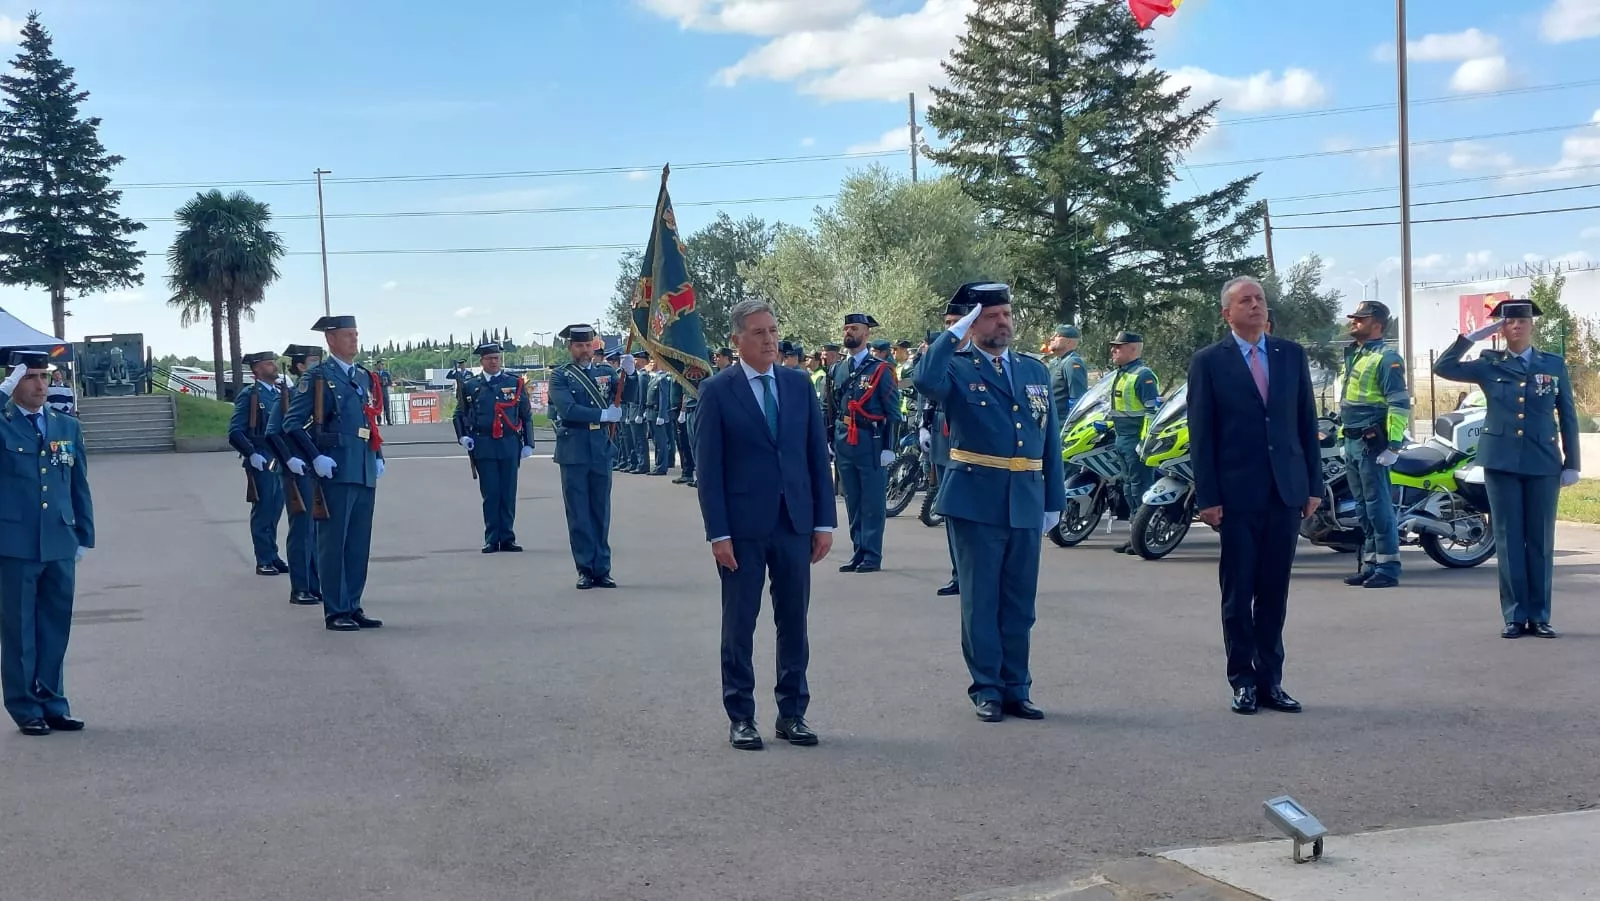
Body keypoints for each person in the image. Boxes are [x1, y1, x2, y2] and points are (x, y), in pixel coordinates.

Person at [915, 284, 1063, 721]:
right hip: (975, 499)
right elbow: (924, 380)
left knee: (1020, 601)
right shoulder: (957, 367)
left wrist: (1053, 498)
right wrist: (953, 334)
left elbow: (1049, 439)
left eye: (1006, 314)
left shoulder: (1033, 370)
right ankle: (988, 689)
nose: (1003, 322)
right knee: (981, 600)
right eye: (992, 315)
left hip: (1026, 497)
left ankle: (1017, 687)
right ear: (973, 323)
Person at [694, 300, 836, 750]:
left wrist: (824, 522)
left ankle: (792, 713)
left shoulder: (797, 385)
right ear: (737, 340)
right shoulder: (718, 391)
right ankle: (741, 716)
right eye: (759, 332)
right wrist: (718, 533)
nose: (770, 340)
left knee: (794, 621)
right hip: (742, 529)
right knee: (740, 624)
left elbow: (815, 456)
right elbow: (708, 470)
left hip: (794, 523)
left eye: (773, 330)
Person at [1188, 276, 1323, 715]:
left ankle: (1271, 681)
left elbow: (1305, 422)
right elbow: (1201, 433)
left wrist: (1313, 485)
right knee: (1238, 591)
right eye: (1245, 300)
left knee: (1273, 591)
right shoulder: (1209, 362)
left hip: (1284, 491)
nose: (1255, 305)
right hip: (1236, 495)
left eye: (1259, 299)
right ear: (1226, 313)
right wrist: (1208, 496)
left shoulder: (1290, 354)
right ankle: (1242, 681)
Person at [1434, 299, 1582, 639]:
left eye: (1522, 320)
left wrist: (1572, 462)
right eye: (1509, 321)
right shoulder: (1489, 363)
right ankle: (1515, 615)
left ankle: (1540, 616)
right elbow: (1443, 367)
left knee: (1540, 540)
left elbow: (1568, 416)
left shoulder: (1553, 364)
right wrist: (1470, 338)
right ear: (1501, 328)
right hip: (1500, 461)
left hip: (1542, 461)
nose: (1516, 325)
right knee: (1508, 538)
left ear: (1532, 325)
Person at [0, 351, 94, 736]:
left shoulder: (65, 425)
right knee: (19, 630)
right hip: (14, 543)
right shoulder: (3, 424)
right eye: (30, 377)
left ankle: (54, 702)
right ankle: (25, 707)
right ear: (13, 382)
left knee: (55, 626)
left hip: (59, 539)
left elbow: (78, 484)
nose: (41, 385)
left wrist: (84, 534)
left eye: (44, 376)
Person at [285, 315, 386, 633]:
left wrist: (377, 455)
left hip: (363, 466)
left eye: (356, 334)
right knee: (333, 544)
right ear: (330, 340)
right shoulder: (318, 377)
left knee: (358, 544)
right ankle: (336, 609)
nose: (354, 340)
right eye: (347, 335)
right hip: (336, 469)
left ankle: (353, 605)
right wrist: (315, 457)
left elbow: (369, 421)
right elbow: (291, 424)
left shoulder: (363, 376)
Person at [549, 324, 630, 589]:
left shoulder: (606, 372)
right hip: (573, 450)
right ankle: (585, 568)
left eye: (587, 345)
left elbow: (628, 396)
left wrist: (630, 375)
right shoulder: (560, 376)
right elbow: (568, 409)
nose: (584, 350)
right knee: (579, 513)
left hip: (600, 448)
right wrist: (602, 415)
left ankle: (603, 569)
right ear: (570, 348)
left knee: (601, 511)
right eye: (579, 346)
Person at [1336, 300, 1409, 589]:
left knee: (1378, 507)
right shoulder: (1356, 354)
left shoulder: (1387, 358)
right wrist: (1342, 437)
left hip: (1372, 445)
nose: (1354, 322)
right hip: (1353, 441)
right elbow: (1348, 403)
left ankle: (1388, 568)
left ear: (1377, 324)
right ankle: (1371, 564)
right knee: (1363, 509)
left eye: (1360, 319)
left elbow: (1399, 404)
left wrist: (1394, 445)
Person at [830, 313, 900, 573]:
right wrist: (829, 438)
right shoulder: (838, 368)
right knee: (853, 499)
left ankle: (872, 554)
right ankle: (858, 550)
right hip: (844, 439)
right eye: (846, 328)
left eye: (855, 328)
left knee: (872, 501)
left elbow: (893, 412)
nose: (849, 332)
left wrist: (890, 447)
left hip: (871, 440)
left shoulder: (880, 369)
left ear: (866, 333)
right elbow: (831, 407)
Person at [455, 341, 536, 554]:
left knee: (508, 493)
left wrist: (529, 443)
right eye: (489, 358)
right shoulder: (470, 385)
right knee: (491, 494)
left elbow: (526, 415)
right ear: (482, 361)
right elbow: (460, 413)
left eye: (497, 358)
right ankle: (492, 538)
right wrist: (463, 436)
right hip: (484, 445)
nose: (494, 362)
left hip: (509, 444)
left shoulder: (514, 383)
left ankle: (507, 537)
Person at [917, 302, 975, 597]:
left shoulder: (980, 358)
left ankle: (975, 575)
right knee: (951, 510)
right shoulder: (939, 355)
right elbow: (924, 390)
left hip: (970, 442)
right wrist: (923, 425)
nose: (952, 328)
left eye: (958, 322)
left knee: (973, 514)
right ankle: (959, 573)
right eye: (948, 323)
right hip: (942, 437)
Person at [266, 344, 322, 606]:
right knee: (302, 530)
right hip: (296, 471)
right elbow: (273, 432)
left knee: (316, 530)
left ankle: (314, 584)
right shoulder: (290, 396)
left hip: (317, 469)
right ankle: (300, 587)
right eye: (312, 361)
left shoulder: (320, 392)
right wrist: (289, 460)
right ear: (300, 366)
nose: (318, 365)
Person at [227, 351, 289, 577]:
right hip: (262, 458)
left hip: (280, 458)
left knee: (275, 509)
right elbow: (235, 432)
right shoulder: (250, 395)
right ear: (257, 369)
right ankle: (263, 559)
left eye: (273, 363)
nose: (274, 367)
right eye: (269, 364)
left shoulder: (278, 393)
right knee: (263, 511)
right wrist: (251, 453)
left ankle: (272, 555)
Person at [1107, 332, 1160, 554]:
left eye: (1119, 346)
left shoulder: (1143, 375)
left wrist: (1144, 442)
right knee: (1128, 488)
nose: (1113, 350)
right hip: (1122, 438)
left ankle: (1144, 536)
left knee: (1140, 488)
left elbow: (1151, 412)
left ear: (1133, 349)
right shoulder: (1122, 374)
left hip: (1135, 440)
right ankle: (1134, 536)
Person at [1046, 325, 1087, 422]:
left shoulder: (1072, 362)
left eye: (1057, 335)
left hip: (1061, 423)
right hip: (1050, 420)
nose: (1052, 338)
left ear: (1068, 342)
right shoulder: (1055, 362)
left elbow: (1077, 398)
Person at [649, 361, 678, 475]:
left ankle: (662, 466)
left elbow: (664, 398)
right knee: (657, 441)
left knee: (661, 442)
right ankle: (658, 464)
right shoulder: (655, 377)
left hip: (658, 413)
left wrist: (661, 415)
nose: (651, 363)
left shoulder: (662, 379)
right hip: (652, 412)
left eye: (653, 361)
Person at [375, 360, 394, 426]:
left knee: (387, 407)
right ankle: (379, 421)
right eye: (378, 365)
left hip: (384, 391)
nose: (380, 366)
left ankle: (388, 420)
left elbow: (390, 382)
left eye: (381, 365)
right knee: (378, 407)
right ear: (376, 366)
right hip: (377, 393)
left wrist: (385, 383)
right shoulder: (374, 374)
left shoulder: (386, 373)